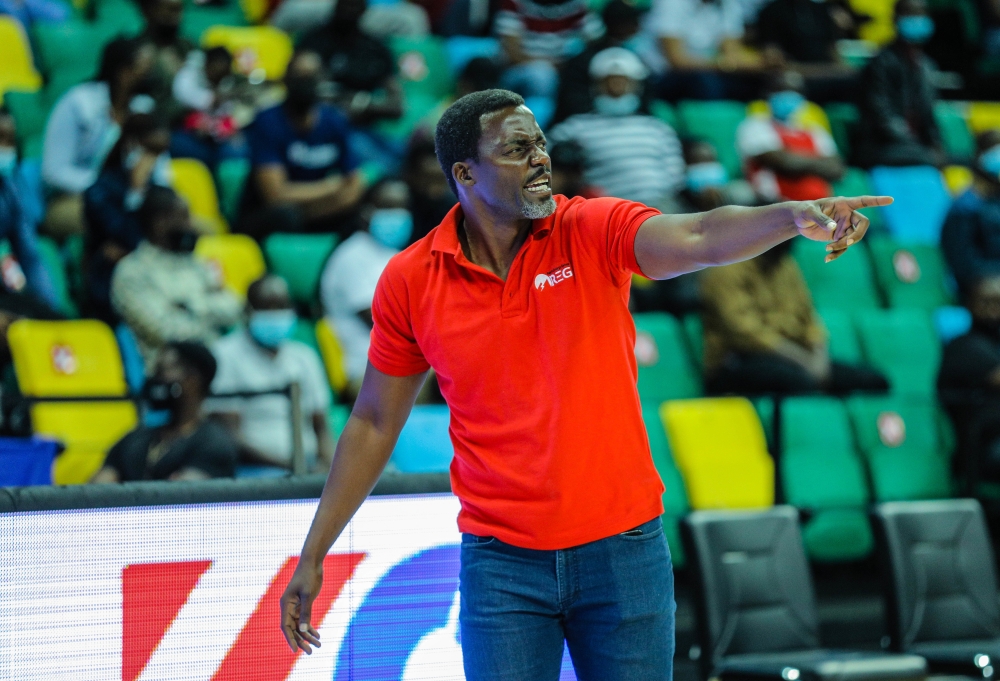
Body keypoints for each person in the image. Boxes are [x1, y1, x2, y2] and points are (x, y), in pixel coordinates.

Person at [279, 88, 890, 679]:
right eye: (517, 149)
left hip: (623, 552)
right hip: (502, 564)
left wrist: (790, 217)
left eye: (539, 143)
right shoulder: (411, 280)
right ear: (465, 175)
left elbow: (700, 236)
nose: (540, 157)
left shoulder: (590, 228)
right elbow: (374, 421)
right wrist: (314, 552)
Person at [700, 238, 890, 395]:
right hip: (738, 362)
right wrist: (803, 360)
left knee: (874, 382)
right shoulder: (727, 267)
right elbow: (745, 333)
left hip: (797, 358)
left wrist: (819, 360)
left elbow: (810, 320)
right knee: (801, 384)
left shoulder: (786, 264)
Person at [209, 275, 334, 473]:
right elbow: (229, 434)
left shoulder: (305, 357)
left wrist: (330, 467)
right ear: (247, 312)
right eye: (267, 307)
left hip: (307, 465)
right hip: (253, 469)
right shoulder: (224, 355)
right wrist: (293, 468)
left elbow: (321, 428)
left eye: (282, 307)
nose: (276, 315)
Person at [237, 50, 367, 239]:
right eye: (300, 76)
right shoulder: (267, 121)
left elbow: (355, 184)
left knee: (363, 212)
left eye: (313, 76)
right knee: (286, 214)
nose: (307, 83)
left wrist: (325, 204)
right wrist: (329, 188)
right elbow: (276, 194)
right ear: (286, 80)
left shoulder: (335, 121)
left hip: (316, 211)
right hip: (264, 215)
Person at [111, 186, 242, 368]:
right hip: (171, 369)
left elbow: (235, 308)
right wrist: (212, 315)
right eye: (184, 217)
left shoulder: (198, 263)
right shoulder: (132, 272)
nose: (192, 226)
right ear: (159, 223)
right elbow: (167, 332)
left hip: (218, 358)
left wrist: (190, 307)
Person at [41, 37, 155, 239]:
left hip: (128, 198)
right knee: (118, 222)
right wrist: (109, 188)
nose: (151, 74)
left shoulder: (144, 108)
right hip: (75, 198)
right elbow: (54, 171)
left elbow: (159, 164)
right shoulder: (77, 104)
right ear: (123, 72)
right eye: (144, 68)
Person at [548, 48, 685, 209]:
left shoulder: (656, 127)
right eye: (610, 82)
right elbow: (543, 148)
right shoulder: (578, 125)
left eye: (622, 82)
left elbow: (676, 171)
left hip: (660, 204)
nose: (616, 88)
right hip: (610, 209)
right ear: (597, 86)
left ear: (636, 86)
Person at [91, 341, 238, 482]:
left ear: (194, 380)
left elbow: (180, 499)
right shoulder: (136, 438)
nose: (156, 380)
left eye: (163, 371)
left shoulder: (213, 443)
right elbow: (97, 492)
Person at [321, 180, 410, 395]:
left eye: (402, 208)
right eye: (388, 207)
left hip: (402, 364)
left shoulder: (396, 255)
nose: (396, 215)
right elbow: (381, 320)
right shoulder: (353, 255)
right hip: (366, 368)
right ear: (367, 212)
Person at [84, 112, 173, 322]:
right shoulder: (100, 191)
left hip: (156, 278)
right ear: (132, 144)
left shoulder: (158, 191)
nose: (153, 162)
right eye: (150, 151)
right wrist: (134, 193)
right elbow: (126, 236)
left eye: (159, 153)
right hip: (110, 282)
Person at [855, 0, 944, 168]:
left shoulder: (927, 65)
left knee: (958, 158)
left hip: (917, 146)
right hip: (882, 146)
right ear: (896, 20)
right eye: (910, 15)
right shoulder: (881, 62)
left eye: (921, 15)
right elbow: (880, 115)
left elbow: (930, 114)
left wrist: (935, 143)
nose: (917, 20)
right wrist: (912, 142)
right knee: (931, 159)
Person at [736, 69, 844, 203]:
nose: (789, 96)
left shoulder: (814, 130)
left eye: (795, 91)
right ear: (768, 94)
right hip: (774, 204)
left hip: (819, 205)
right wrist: (818, 162)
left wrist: (793, 159)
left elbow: (837, 169)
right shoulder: (754, 126)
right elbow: (783, 162)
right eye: (782, 90)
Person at [493, 0, 604, 128]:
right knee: (542, 75)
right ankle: (536, 130)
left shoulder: (577, 5)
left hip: (564, 69)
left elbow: (597, 41)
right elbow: (512, 53)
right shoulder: (515, 3)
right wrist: (551, 66)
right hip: (522, 70)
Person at [297, 0, 404, 127]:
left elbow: (396, 106)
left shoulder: (376, 49)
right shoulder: (313, 42)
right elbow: (299, 89)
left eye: (354, 4)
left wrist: (362, 104)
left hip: (360, 126)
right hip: (317, 124)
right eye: (345, 3)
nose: (348, 9)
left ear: (364, 9)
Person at [938, 275, 1000, 484]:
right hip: (981, 449)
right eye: (987, 301)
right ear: (970, 305)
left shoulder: (993, 345)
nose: (993, 310)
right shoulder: (964, 347)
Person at [644, 0, 763, 100]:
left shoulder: (728, 5)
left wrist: (763, 63)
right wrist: (723, 64)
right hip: (665, 76)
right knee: (705, 82)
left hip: (709, 70)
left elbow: (732, 53)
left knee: (754, 82)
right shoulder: (672, 3)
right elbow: (677, 61)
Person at [0, 109, 58, 309]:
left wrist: (49, 308)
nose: (4, 149)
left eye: (9, 141)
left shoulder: (12, 187)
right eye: (0, 138)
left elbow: (29, 256)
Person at [552, 0, 643, 125]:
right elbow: (572, 100)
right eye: (633, 23)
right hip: (589, 122)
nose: (638, 27)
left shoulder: (635, 56)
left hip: (632, 121)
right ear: (619, 24)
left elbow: (644, 96)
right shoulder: (583, 61)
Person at [170, 46, 250, 171]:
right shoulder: (188, 76)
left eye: (223, 73)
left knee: (238, 151)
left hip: (219, 141)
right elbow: (207, 101)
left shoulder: (229, 81)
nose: (219, 77)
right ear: (206, 64)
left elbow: (234, 116)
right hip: (188, 136)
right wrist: (231, 94)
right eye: (216, 71)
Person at [941, 131, 1000, 297]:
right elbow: (964, 266)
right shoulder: (964, 208)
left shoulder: (996, 201)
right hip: (982, 289)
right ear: (981, 158)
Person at [404, 132, 455, 244]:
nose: (434, 190)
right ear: (411, 176)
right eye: (428, 181)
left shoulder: (455, 212)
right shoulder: (398, 206)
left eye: (440, 181)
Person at [138, 0, 193, 98]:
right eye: (171, 10)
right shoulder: (133, 51)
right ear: (150, 11)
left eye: (179, 10)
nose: (178, 17)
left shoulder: (189, 47)